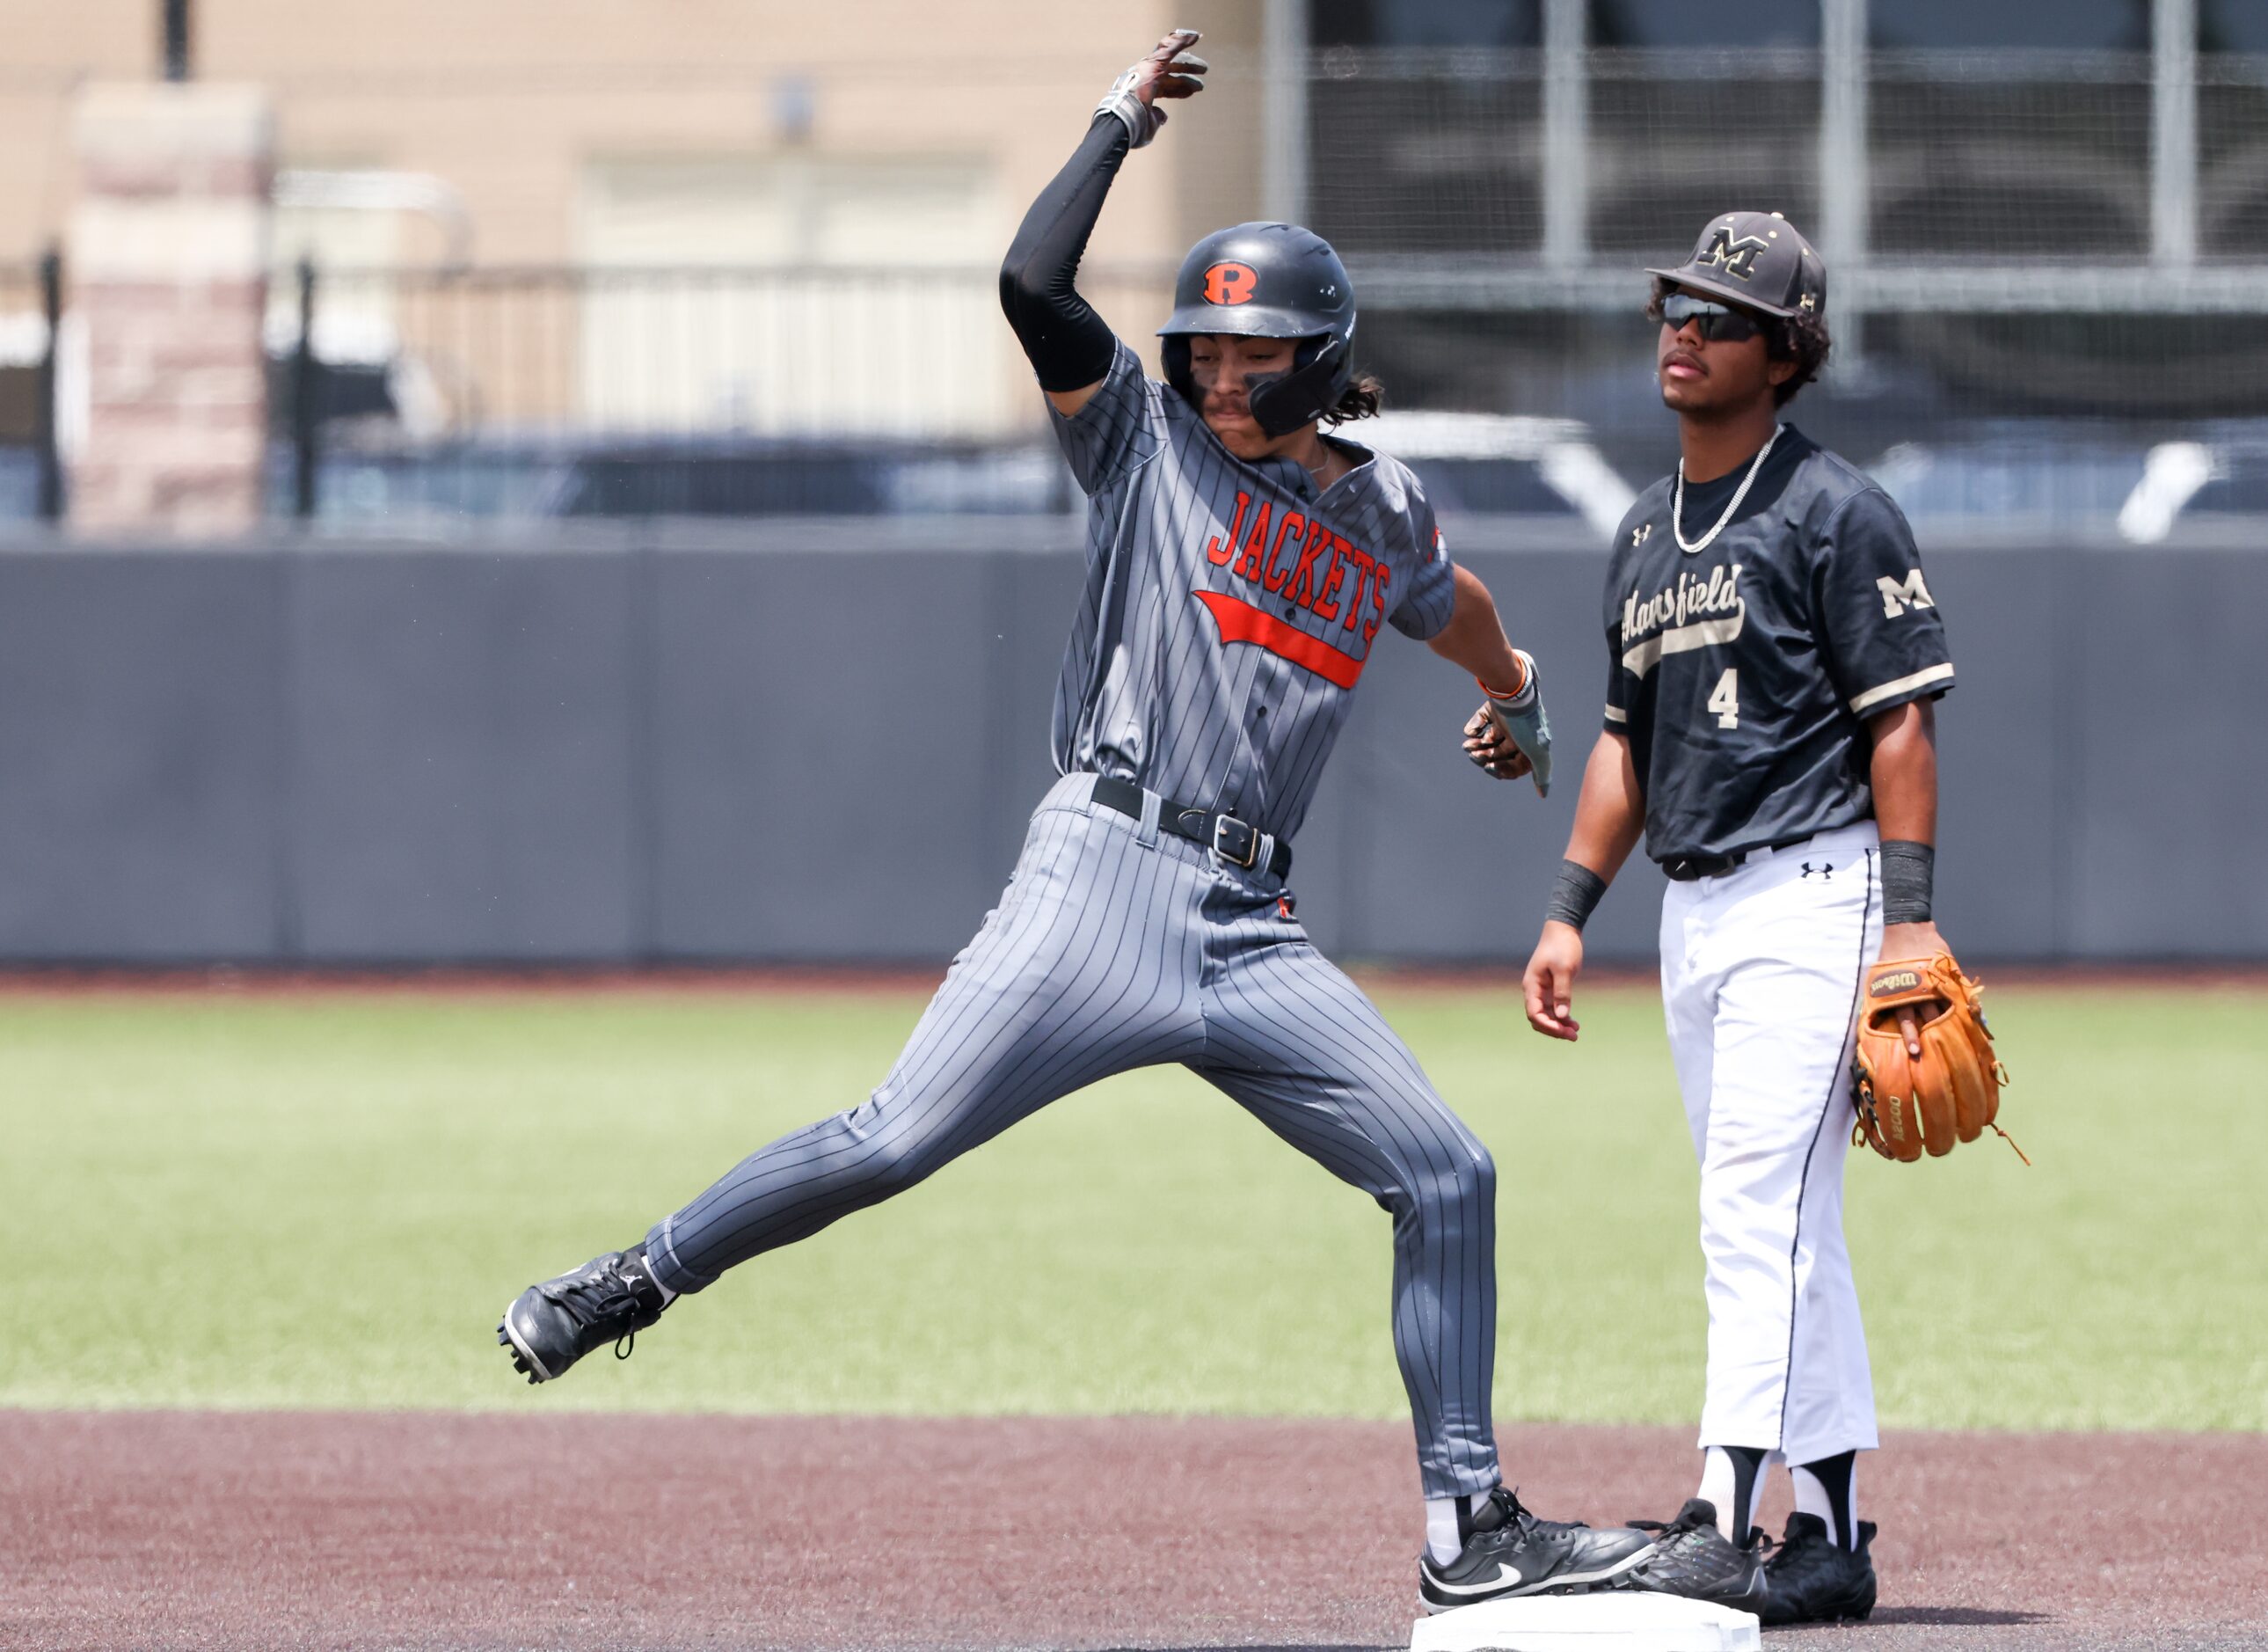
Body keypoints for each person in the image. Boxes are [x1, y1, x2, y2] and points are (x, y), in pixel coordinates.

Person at [499, 32, 1653, 1616]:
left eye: (1254, 361)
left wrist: (1519, 691)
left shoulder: (1380, 508)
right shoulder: (1144, 444)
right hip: (1105, 868)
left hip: (1254, 929)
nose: (1220, 377)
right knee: (894, 1136)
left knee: (1450, 1173)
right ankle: (632, 1276)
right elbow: (1034, 291)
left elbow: (1456, 606)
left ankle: (1472, 1532)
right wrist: (1117, 122)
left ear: (1324, 361)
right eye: (1207, 353)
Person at [1477, 210, 1956, 1626]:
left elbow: (1904, 727)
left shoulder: (1834, 508)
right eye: (1675, 307)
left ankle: (1716, 1506)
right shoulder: (1641, 531)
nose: (1685, 332)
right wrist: (1570, 909)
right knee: (1788, 1221)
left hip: (1818, 891)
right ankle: (1831, 1538)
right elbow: (1623, 742)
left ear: (1786, 351)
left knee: (1752, 1209)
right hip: (1695, 914)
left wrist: (1912, 928)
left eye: (1722, 316)